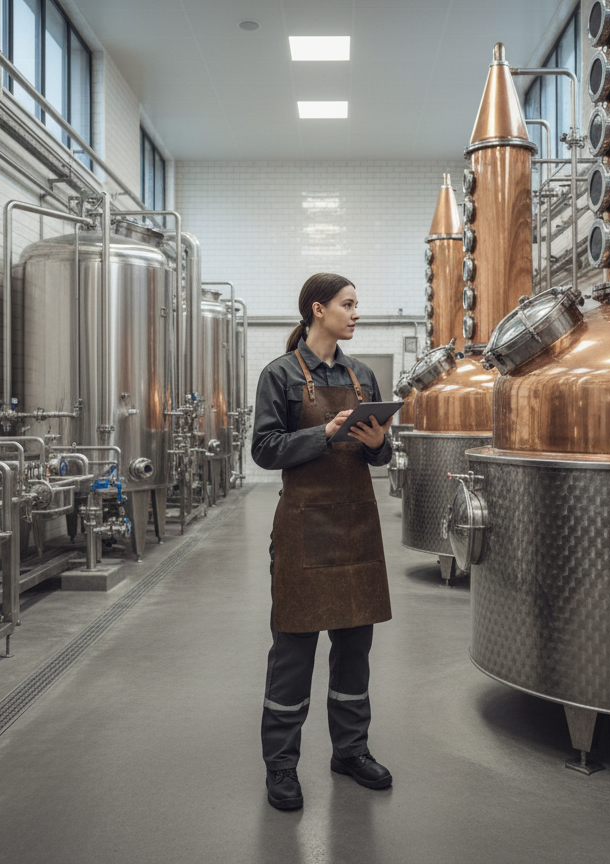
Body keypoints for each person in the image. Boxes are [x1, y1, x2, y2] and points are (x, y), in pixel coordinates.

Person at [251, 272, 395, 811]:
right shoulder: (281, 375)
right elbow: (264, 450)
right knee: (294, 650)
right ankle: (281, 766)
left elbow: (379, 455)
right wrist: (324, 434)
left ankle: (350, 751)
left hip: (357, 528)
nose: (357, 313)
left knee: (355, 648)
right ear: (318, 310)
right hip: (304, 533)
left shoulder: (361, 377)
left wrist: (379, 444)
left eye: (357, 304)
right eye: (349, 304)